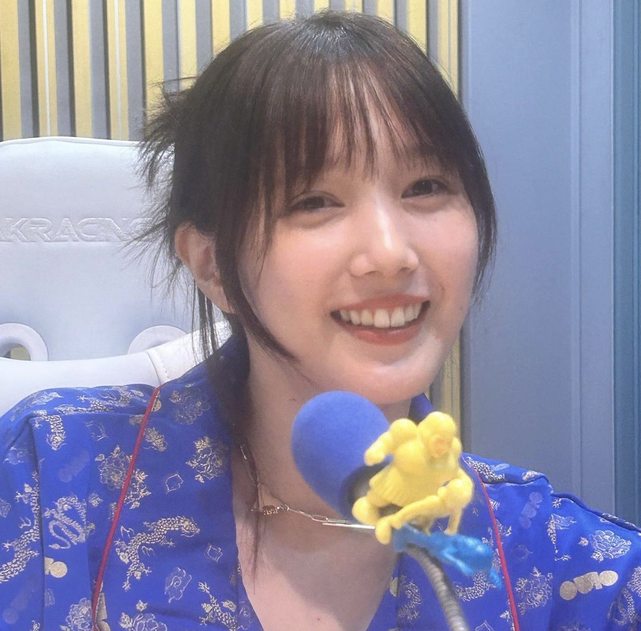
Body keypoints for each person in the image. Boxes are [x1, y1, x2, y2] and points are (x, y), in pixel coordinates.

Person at [1, 11, 640, 631]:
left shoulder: (567, 567)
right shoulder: (49, 477)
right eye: (315, 201)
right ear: (212, 265)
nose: (391, 253)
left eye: (425, 187)